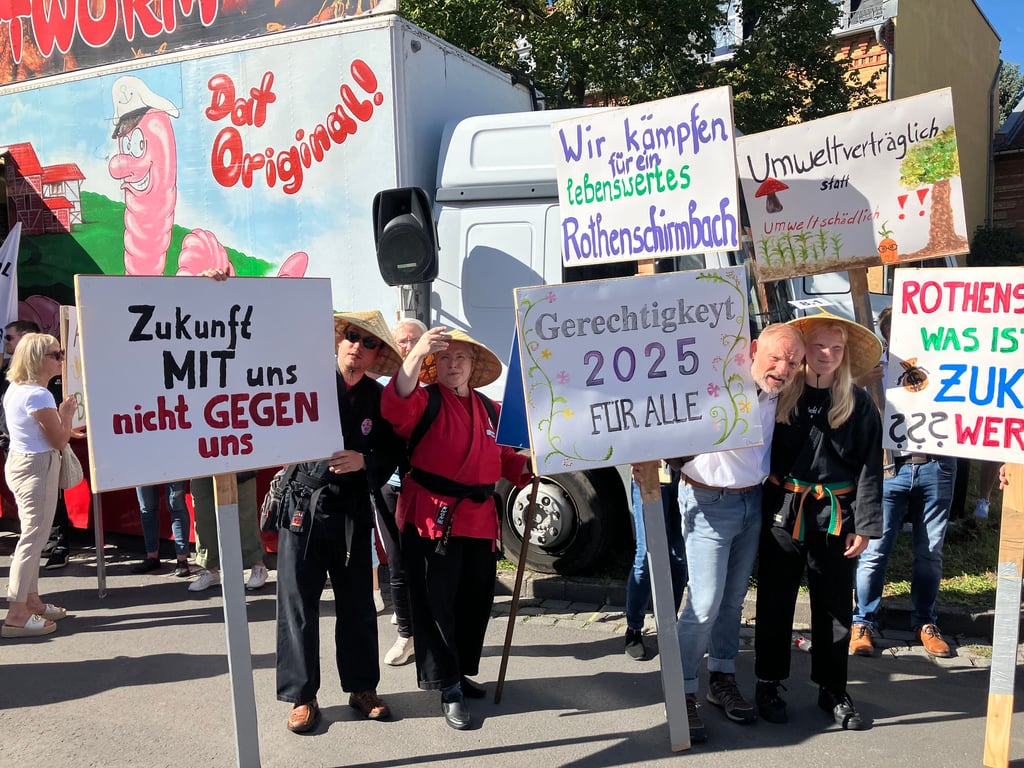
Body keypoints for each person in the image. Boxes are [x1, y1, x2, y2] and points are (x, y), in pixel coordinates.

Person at [381, 325, 531, 730]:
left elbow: (503, 457)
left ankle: (460, 672)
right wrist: (414, 355)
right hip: (432, 518)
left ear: (472, 365)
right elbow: (394, 405)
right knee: (436, 604)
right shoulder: (423, 401)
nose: (453, 365)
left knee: (474, 600)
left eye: (460, 358)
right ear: (434, 364)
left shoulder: (488, 408)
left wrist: (528, 467)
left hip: (479, 520)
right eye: (445, 358)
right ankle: (446, 685)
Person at [276, 310, 405, 734]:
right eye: (352, 337)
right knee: (298, 605)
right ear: (338, 341)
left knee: (358, 604)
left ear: (376, 355)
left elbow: (391, 453)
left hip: (352, 510)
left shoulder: (377, 396)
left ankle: (362, 688)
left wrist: (365, 460)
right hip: (304, 505)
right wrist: (216, 286)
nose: (358, 347)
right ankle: (302, 696)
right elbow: (252, 348)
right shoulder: (303, 378)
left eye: (369, 343)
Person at [675, 323, 805, 742]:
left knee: (732, 602)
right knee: (704, 602)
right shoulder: (718, 384)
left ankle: (721, 677)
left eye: (791, 361)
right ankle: (682, 692)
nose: (782, 367)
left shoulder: (781, 394)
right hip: (708, 500)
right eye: (775, 357)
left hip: (752, 502)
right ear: (752, 350)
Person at [754, 312, 883, 732]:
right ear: (804, 351)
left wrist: (864, 524)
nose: (827, 355)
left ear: (844, 355)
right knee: (775, 600)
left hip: (835, 516)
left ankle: (833, 688)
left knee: (833, 606)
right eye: (819, 347)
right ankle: (768, 681)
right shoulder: (780, 395)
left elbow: (870, 467)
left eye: (836, 348)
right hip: (784, 512)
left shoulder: (858, 402)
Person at [851, 306, 957, 658]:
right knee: (874, 551)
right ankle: (862, 621)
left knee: (930, 553)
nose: (898, 337)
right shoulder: (872, 371)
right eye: (891, 331)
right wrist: (857, 383)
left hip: (936, 465)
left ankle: (925, 621)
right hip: (888, 469)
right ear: (883, 335)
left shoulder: (947, 364)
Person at [2, 333, 77, 637]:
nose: (61, 359)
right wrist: (67, 417)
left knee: (33, 536)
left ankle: (30, 601)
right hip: (37, 466)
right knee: (33, 540)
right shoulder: (39, 395)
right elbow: (58, 439)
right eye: (55, 354)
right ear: (37, 359)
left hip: (23, 462)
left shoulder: (17, 389)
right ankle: (17, 613)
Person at [376, 317, 426, 666]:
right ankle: (406, 633)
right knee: (397, 563)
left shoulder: (437, 386)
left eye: (413, 340)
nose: (406, 347)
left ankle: (433, 632)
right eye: (401, 341)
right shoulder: (382, 387)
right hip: (389, 487)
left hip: (426, 492)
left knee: (428, 564)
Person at [623, 463, 687, 661]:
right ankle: (634, 628)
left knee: (678, 556)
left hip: (687, 476)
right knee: (645, 557)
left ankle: (668, 626)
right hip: (649, 474)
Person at [187, 472, 269, 592]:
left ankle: (258, 566)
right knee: (203, 514)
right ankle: (211, 569)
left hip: (237, 459)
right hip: (201, 463)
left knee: (244, 512)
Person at [131, 481, 192, 576]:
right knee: (147, 508)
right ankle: (152, 558)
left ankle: (182, 559)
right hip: (142, 466)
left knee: (176, 505)